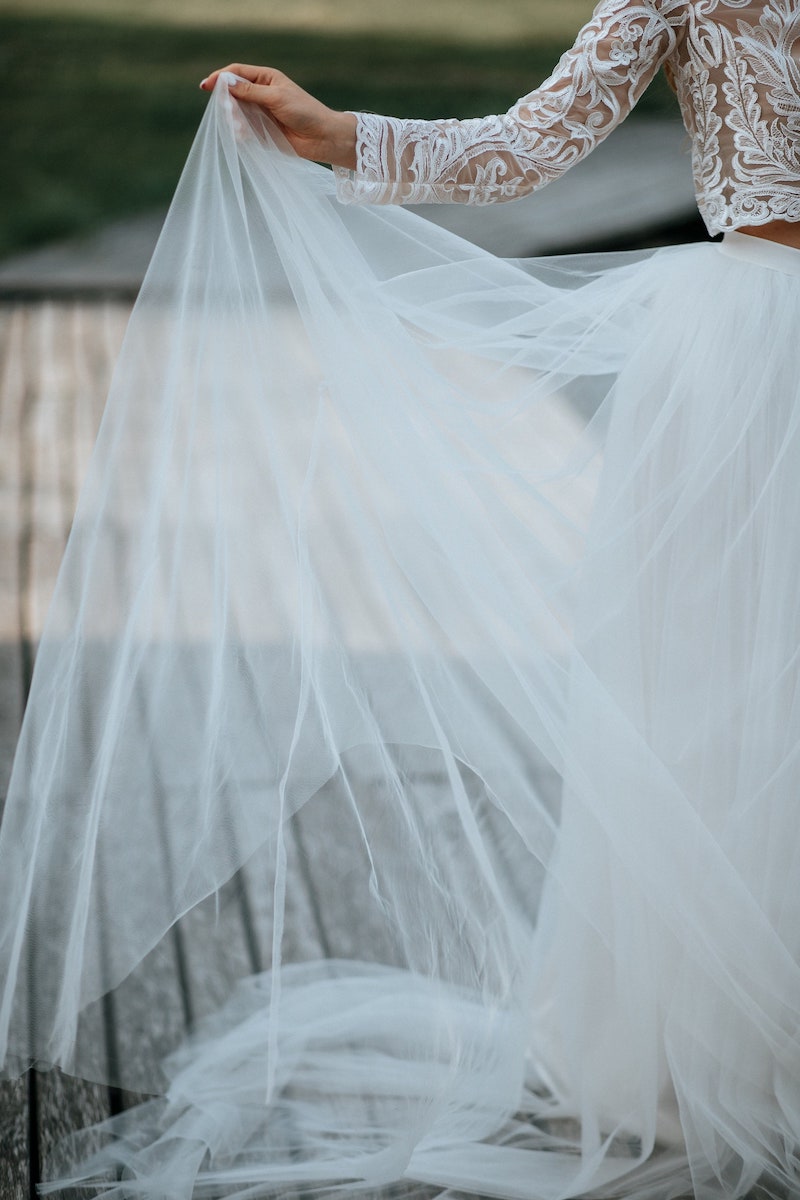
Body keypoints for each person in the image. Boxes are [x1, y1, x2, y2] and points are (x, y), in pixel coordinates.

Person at [1, 1, 799, 1197]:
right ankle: (717, 1044)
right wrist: (336, 134)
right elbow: (533, 143)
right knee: (722, 701)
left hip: (742, 354)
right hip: (755, 364)